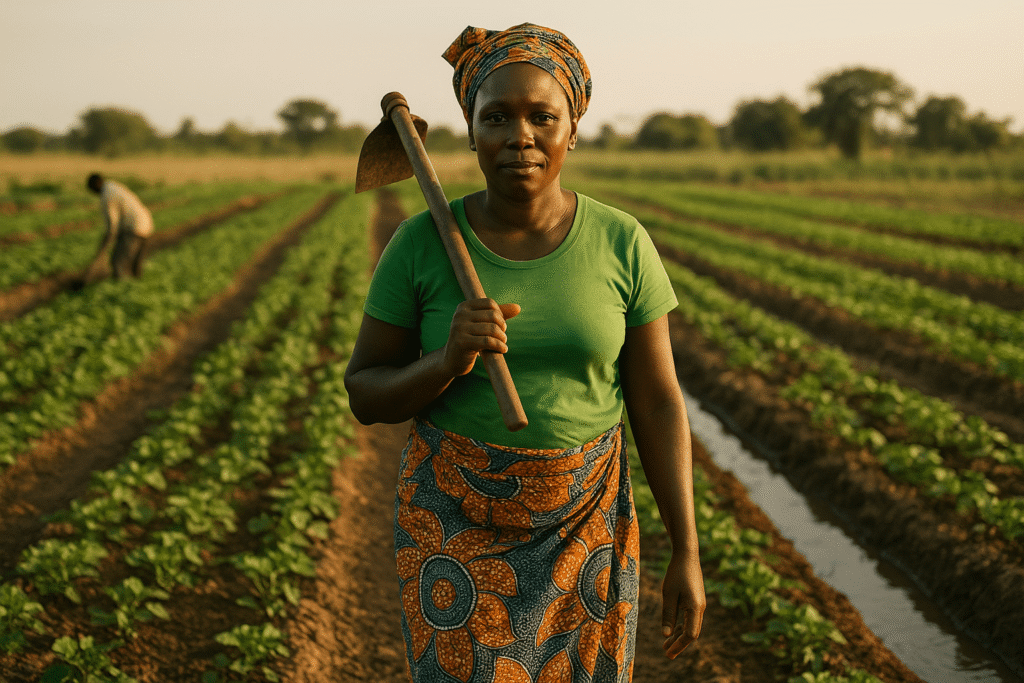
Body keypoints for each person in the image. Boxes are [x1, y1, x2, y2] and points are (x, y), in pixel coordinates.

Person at [344, 22, 705, 682]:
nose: (520, 136)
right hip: (454, 527)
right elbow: (365, 393)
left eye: (542, 116)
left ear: (573, 128)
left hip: (586, 525)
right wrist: (446, 361)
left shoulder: (622, 242)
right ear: (471, 129)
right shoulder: (420, 243)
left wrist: (687, 547)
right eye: (496, 117)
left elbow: (657, 401)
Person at [83, 172, 153, 282]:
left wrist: (104, 245)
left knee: (118, 264)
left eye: (92, 189)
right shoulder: (113, 186)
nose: (93, 193)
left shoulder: (107, 196)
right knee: (135, 266)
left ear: (97, 184)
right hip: (146, 225)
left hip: (134, 228)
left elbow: (112, 227)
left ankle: (124, 288)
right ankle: (136, 286)